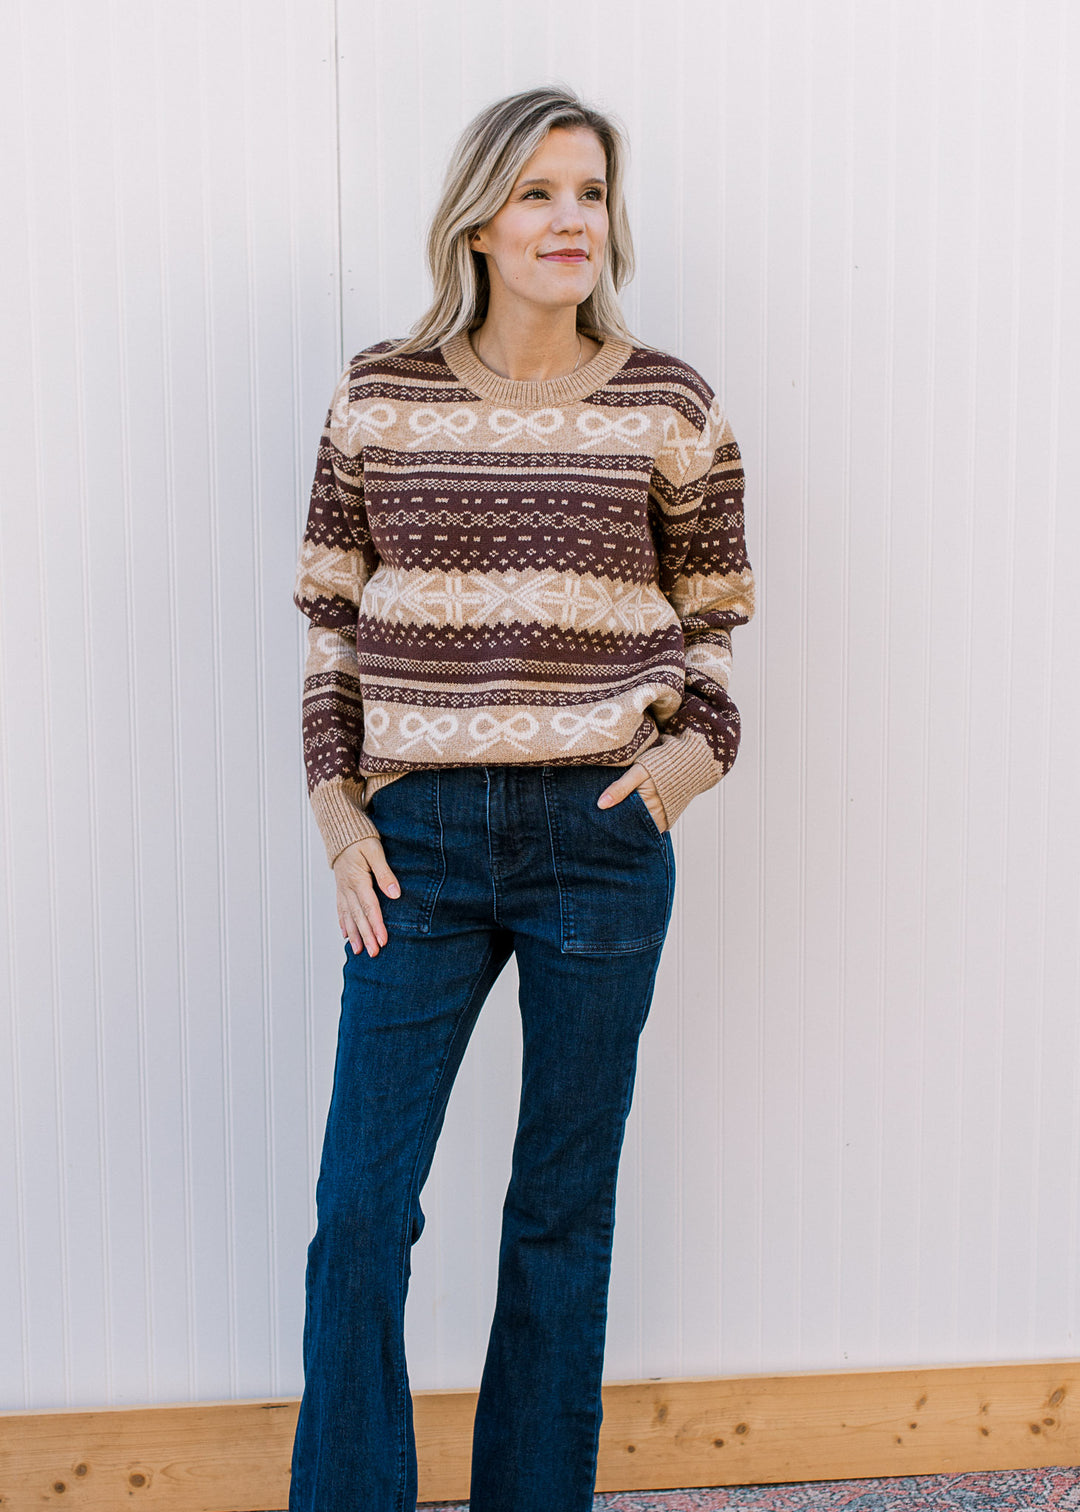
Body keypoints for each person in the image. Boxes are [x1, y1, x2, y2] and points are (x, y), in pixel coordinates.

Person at [288, 83, 755, 1512]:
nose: (571, 220)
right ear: (480, 220)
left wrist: (680, 771)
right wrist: (338, 807)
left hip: (599, 844)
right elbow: (327, 613)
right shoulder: (382, 391)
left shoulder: (670, 402)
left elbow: (718, 622)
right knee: (361, 1212)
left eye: (592, 194)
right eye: (542, 192)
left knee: (561, 1210)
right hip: (416, 841)